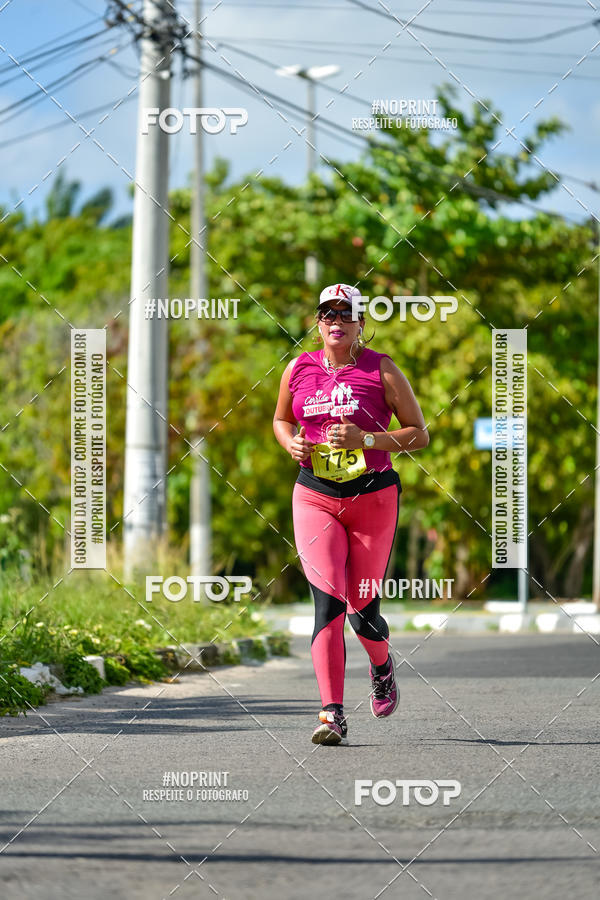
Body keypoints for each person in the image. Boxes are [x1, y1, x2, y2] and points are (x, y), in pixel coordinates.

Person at [273, 283, 429, 746]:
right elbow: (281, 420)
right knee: (328, 605)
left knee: (362, 612)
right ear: (318, 322)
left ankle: (381, 666)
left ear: (361, 323)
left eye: (346, 313)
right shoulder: (297, 368)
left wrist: (368, 440)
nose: (336, 320)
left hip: (372, 497)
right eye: (327, 313)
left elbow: (419, 435)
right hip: (315, 495)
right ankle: (331, 714)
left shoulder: (380, 369)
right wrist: (290, 442)